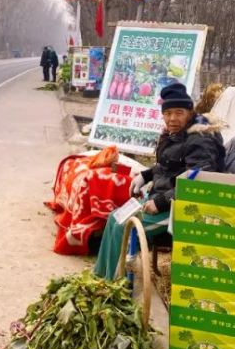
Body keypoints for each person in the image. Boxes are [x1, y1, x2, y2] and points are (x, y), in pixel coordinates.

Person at [94, 82, 225, 280]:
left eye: (179, 112)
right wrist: (146, 175)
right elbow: (169, 166)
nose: (172, 118)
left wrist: (161, 201)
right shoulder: (177, 135)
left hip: (180, 206)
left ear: (190, 113)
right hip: (162, 196)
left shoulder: (200, 138)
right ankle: (101, 277)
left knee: (124, 226)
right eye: (168, 113)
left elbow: (197, 180)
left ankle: (114, 286)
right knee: (115, 217)